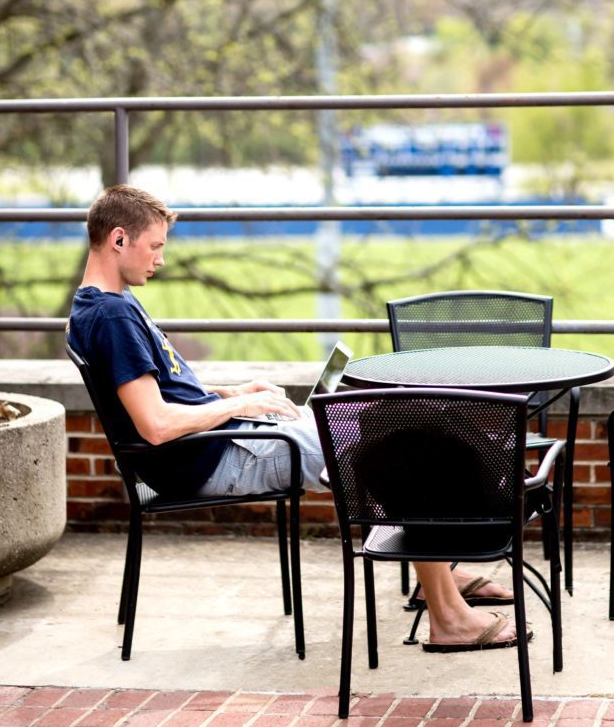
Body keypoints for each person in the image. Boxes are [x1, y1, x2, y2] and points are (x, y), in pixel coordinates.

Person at [67, 184, 524, 652]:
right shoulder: (112, 317)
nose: (161, 259)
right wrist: (238, 408)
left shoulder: (101, 304)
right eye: (156, 246)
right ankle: (447, 614)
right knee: (393, 449)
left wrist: (233, 393)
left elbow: (161, 391)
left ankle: (442, 575)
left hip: (227, 440)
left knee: (383, 427)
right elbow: (156, 425)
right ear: (119, 239)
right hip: (213, 457)